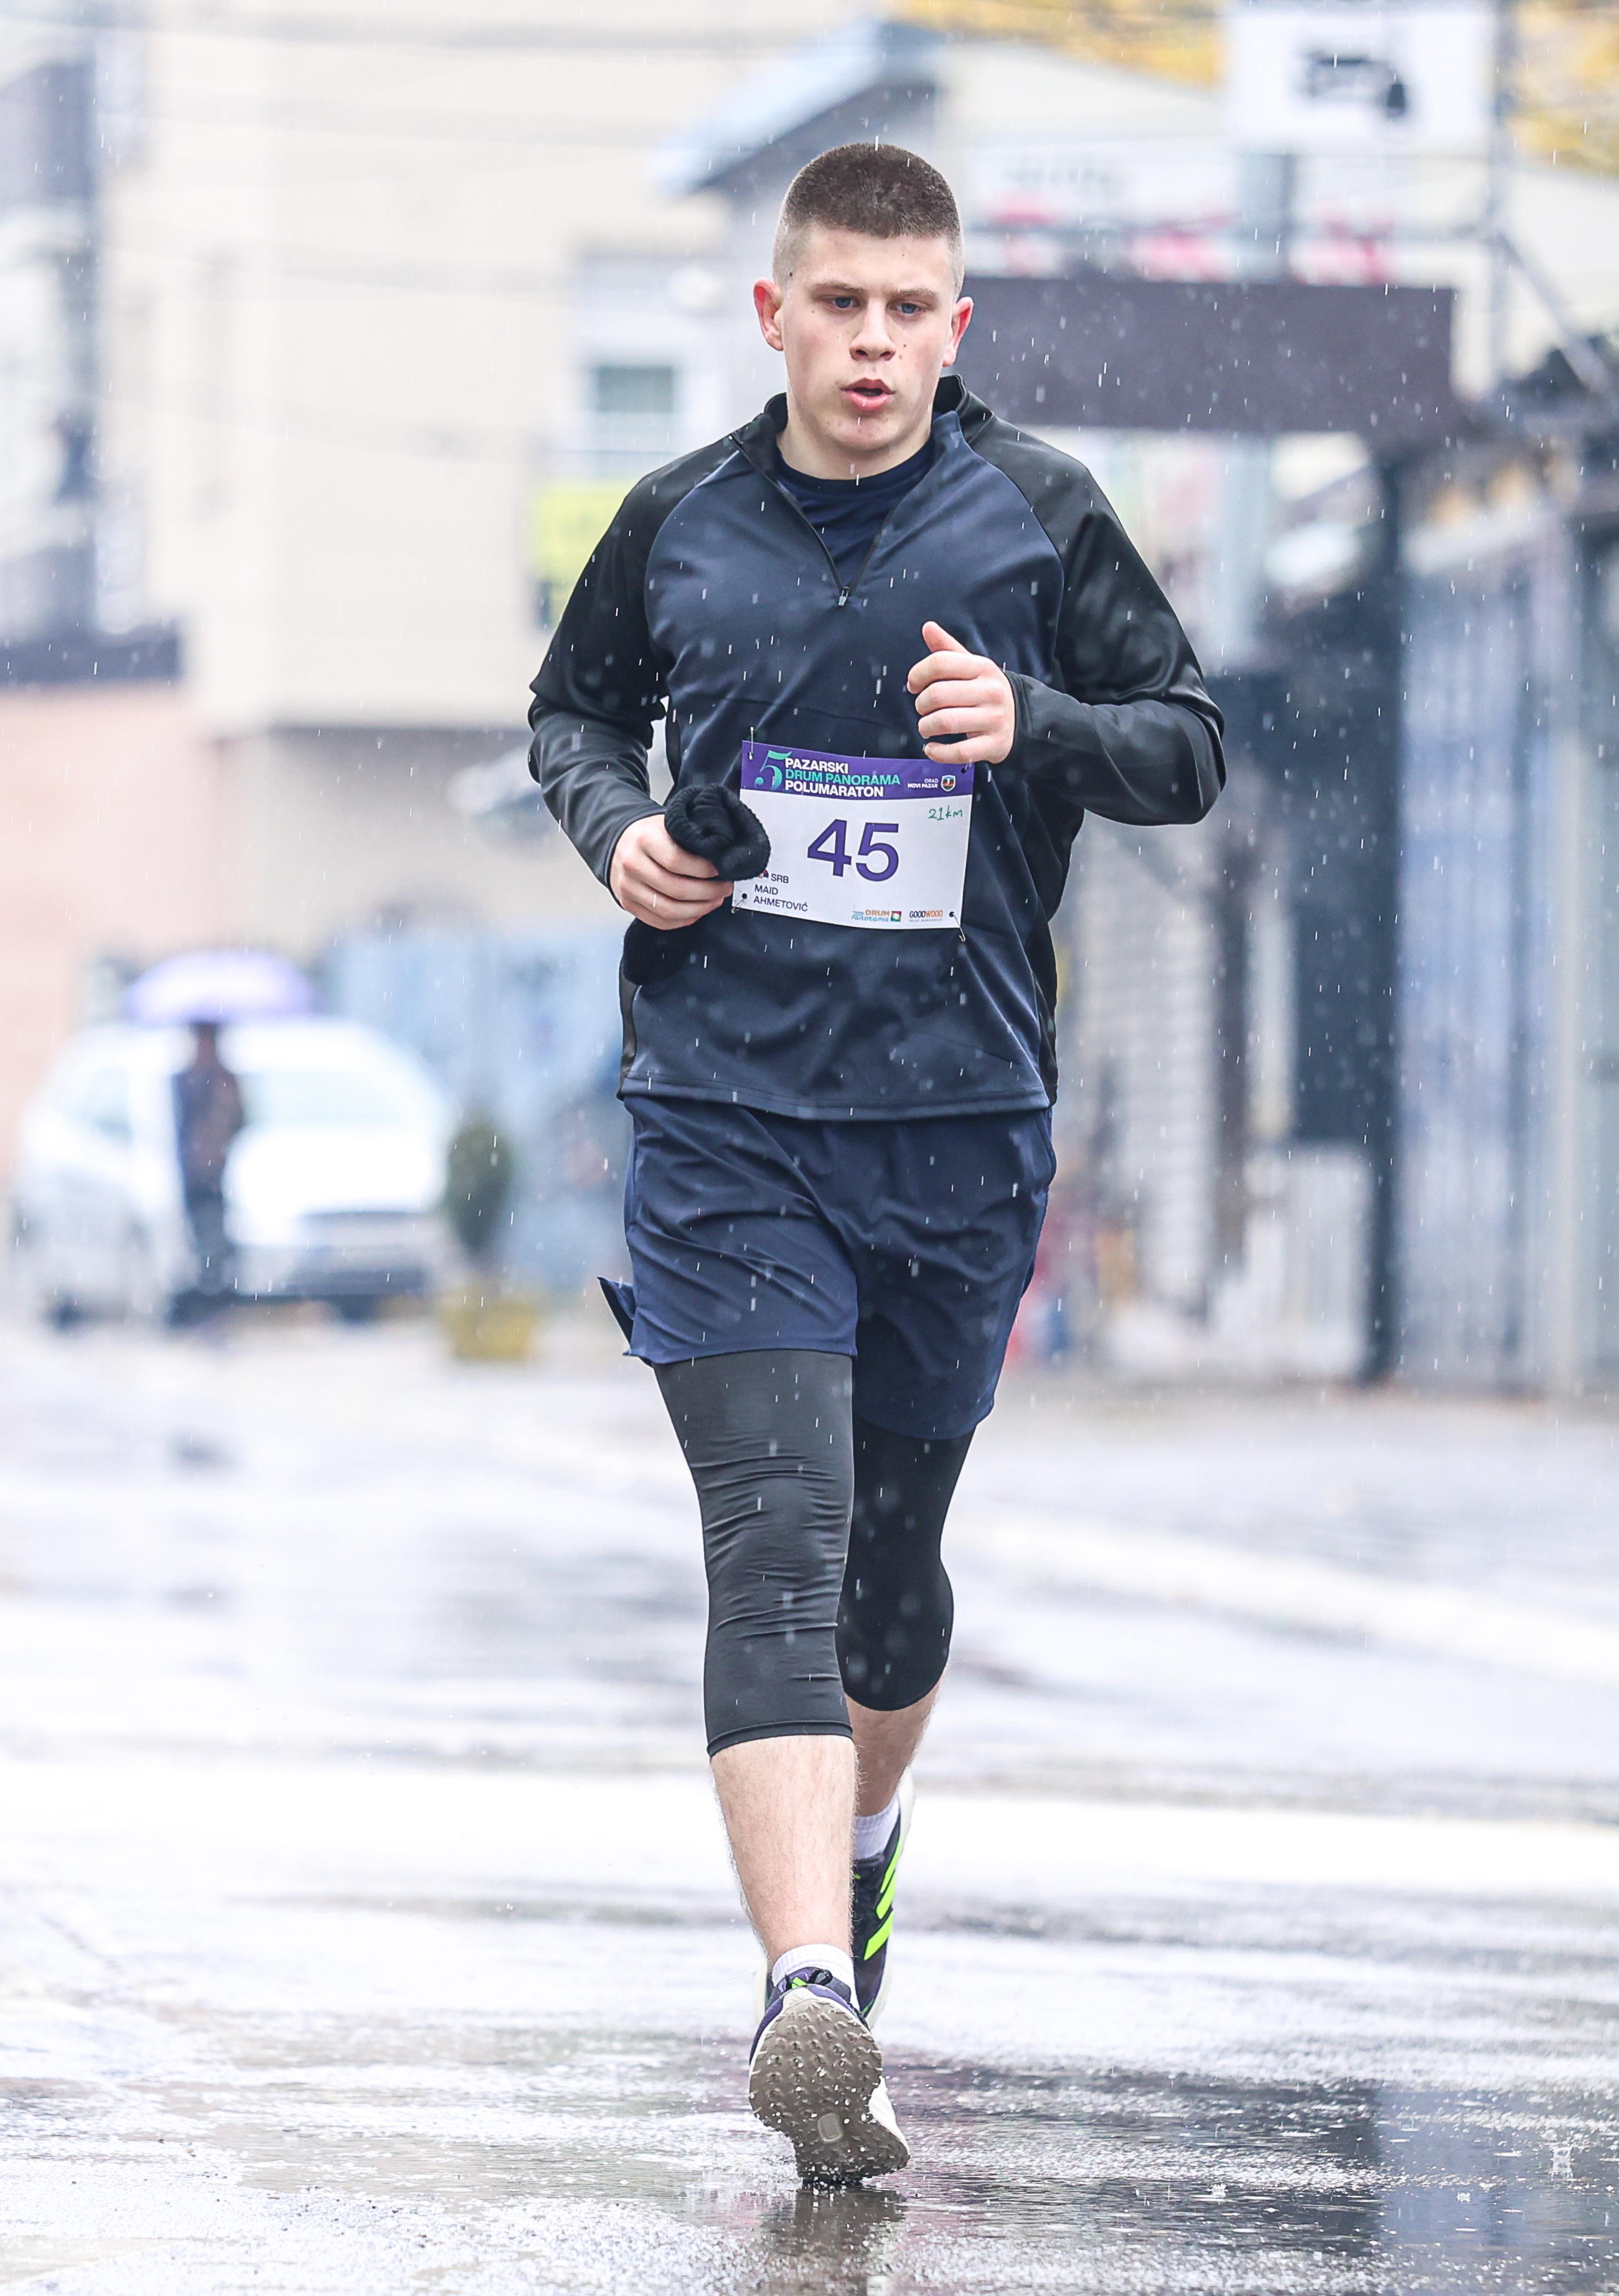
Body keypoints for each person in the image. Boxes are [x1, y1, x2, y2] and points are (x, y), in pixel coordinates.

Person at [528, 143, 1223, 2184]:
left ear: (953, 324)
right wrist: (619, 836)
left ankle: (863, 1844)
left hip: (955, 1133)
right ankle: (802, 1990)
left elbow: (1185, 743)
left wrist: (1032, 722)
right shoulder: (675, 520)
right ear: (773, 315)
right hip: (725, 1121)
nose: (869, 341)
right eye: (836, 304)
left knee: (886, 1587)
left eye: (907, 310)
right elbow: (570, 719)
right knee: (775, 1534)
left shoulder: (1038, 513)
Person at [172, 1019, 245, 1322]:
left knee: (215, 1237)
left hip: (217, 1173)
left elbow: (239, 1120)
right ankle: (201, 1298)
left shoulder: (225, 1080)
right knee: (194, 1237)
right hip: (191, 1174)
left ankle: (214, 1298)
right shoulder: (185, 1079)